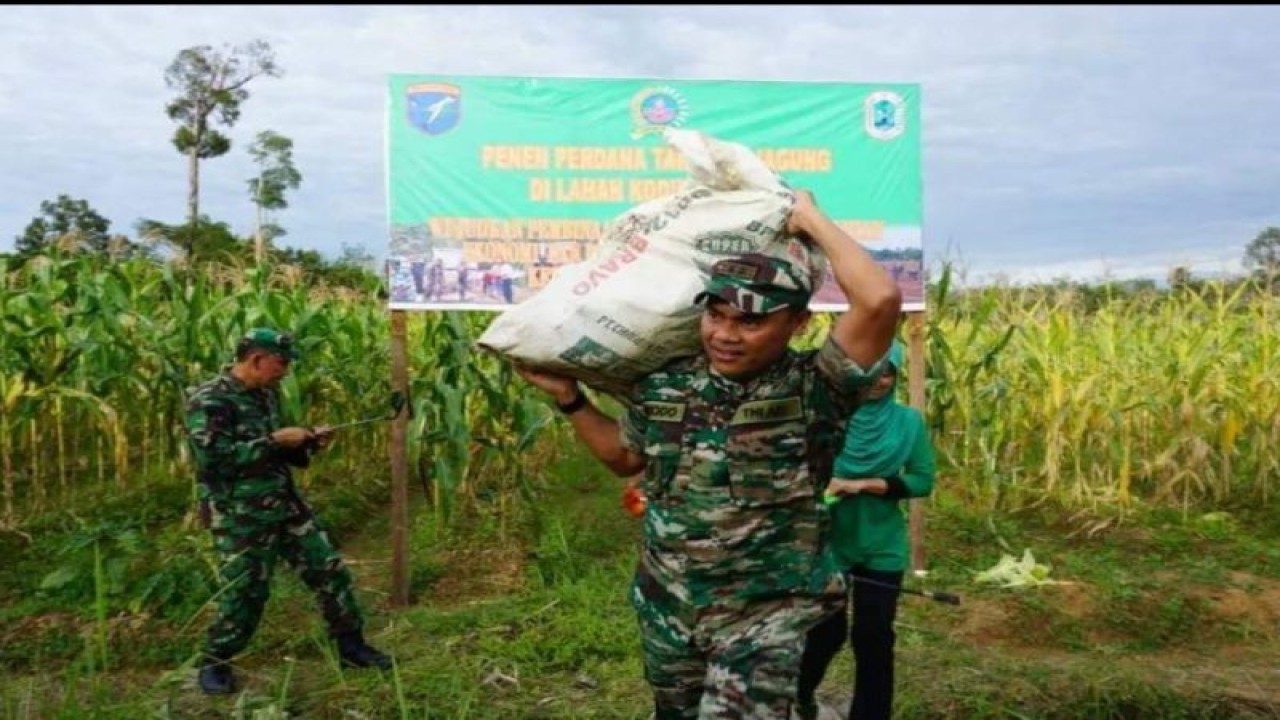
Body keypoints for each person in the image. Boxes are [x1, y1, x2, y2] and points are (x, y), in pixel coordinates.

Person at [515, 190, 902, 719]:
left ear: (797, 323)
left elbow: (879, 300)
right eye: (716, 316)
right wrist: (570, 399)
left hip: (765, 612)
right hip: (669, 604)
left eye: (749, 322)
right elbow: (626, 459)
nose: (725, 335)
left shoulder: (817, 387)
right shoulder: (667, 385)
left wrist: (810, 216)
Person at [184, 328, 392, 695]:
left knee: (328, 570)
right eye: (281, 363)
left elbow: (276, 453)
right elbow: (213, 460)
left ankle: (351, 647)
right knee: (246, 591)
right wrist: (273, 441)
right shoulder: (209, 400)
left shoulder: (266, 394)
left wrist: (307, 444)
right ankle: (215, 661)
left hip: (284, 503)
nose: (286, 371)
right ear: (256, 360)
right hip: (240, 515)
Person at [793, 340, 937, 720]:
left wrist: (865, 485)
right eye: (871, 372)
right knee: (825, 633)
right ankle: (800, 695)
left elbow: (922, 481)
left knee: (874, 638)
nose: (879, 381)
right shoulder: (826, 418)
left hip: (882, 544)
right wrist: (822, 486)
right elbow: (796, 471)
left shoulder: (908, 422)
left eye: (887, 372)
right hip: (829, 542)